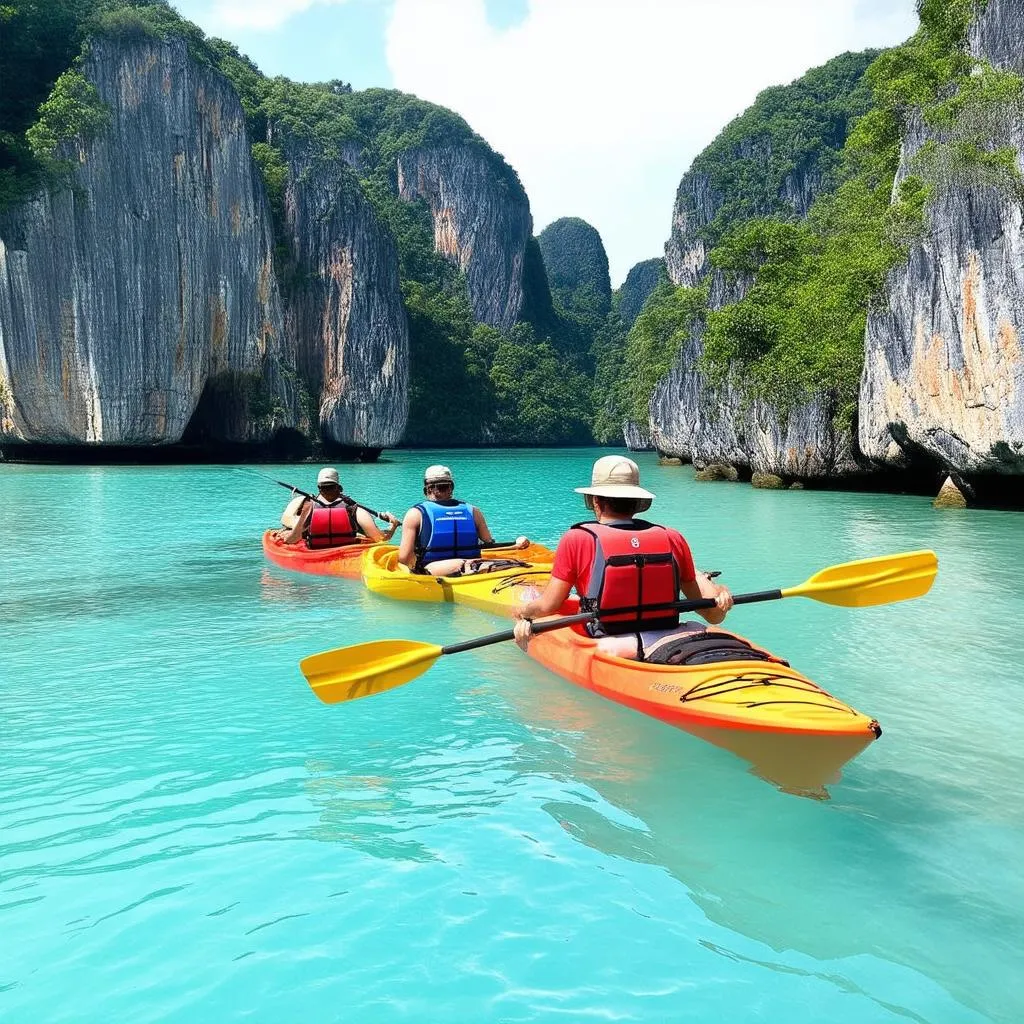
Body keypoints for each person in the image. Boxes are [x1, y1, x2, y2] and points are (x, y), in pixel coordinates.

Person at [512, 455, 733, 660]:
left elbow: (548, 606)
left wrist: (521, 613)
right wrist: (720, 592)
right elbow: (713, 615)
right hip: (669, 634)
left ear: (595, 501)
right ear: (637, 502)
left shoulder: (576, 539)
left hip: (614, 645)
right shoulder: (672, 537)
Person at [397, 464, 530, 576]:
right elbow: (489, 543)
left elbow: (404, 558)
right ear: (451, 487)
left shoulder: (415, 514)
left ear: (427, 488)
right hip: (475, 564)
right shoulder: (473, 511)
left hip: (435, 569)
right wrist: (517, 543)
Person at [275, 467, 399, 547]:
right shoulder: (354, 509)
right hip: (346, 555)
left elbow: (293, 539)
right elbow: (381, 539)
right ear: (338, 487)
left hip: (316, 555)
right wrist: (392, 526)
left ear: (319, 487)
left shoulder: (309, 508)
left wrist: (287, 536)